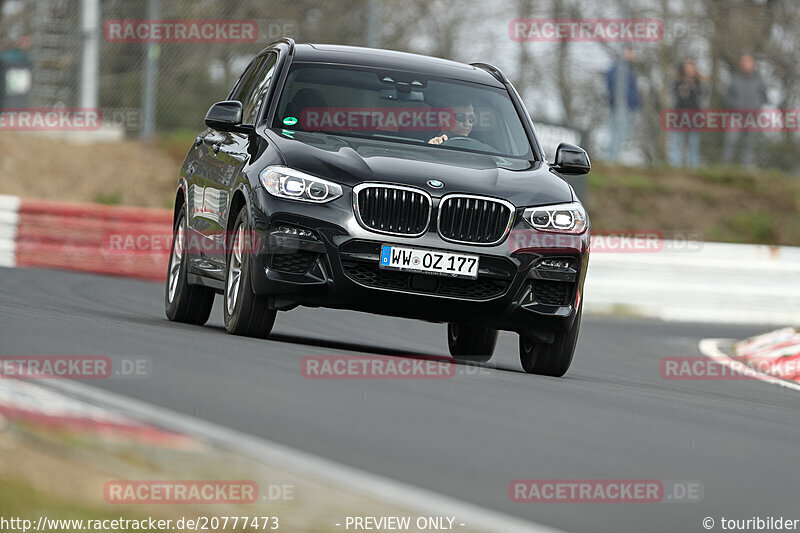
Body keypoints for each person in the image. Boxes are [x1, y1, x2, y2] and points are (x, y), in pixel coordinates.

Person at [722, 54, 768, 167]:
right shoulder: (734, 78)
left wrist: (758, 106)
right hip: (736, 116)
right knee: (730, 142)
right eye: (744, 62)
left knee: (749, 144)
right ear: (741, 64)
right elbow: (727, 96)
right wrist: (735, 106)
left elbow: (765, 96)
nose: (747, 64)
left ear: (753, 64)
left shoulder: (759, 79)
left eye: (749, 62)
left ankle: (745, 170)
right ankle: (724, 168)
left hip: (752, 116)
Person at [605, 46, 640, 162]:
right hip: (619, 107)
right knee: (617, 132)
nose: (633, 55)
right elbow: (611, 84)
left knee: (623, 134)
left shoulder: (629, 69)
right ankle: (612, 158)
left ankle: (615, 158)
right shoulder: (617, 68)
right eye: (630, 52)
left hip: (628, 107)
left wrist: (636, 104)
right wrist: (617, 101)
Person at [669, 59, 705, 167]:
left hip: (694, 116)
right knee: (677, 142)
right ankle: (675, 166)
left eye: (692, 67)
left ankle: (693, 167)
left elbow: (701, 98)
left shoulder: (699, 83)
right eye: (687, 67)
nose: (690, 70)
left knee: (693, 143)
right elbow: (677, 97)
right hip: (679, 115)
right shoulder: (677, 82)